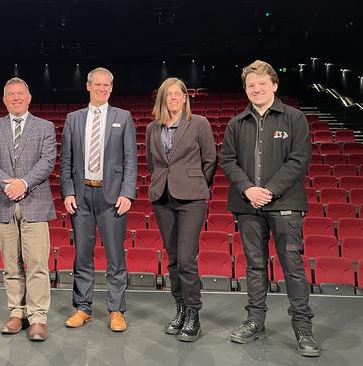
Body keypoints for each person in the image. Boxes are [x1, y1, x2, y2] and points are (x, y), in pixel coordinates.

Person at [221, 60, 320, 357]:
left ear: (274, 85)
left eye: (262, 83)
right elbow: (228, 161)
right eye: (251, 85)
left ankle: (303, 329)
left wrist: (270, 191)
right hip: (248, 205)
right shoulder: (236, 123)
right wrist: (249, 189)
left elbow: (299, 159)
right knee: (254, 266)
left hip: (285, 204)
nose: (256, 89)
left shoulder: (294, 118)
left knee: (292, 267)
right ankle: (255, 321)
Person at [59, 67, 137, 332]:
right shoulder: (73, 118)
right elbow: (66, 160)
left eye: (107, 85)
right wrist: (68, 191)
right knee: (82, 256)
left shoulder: (123, 117)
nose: (102, 89)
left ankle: (116, 309)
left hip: (112, 196)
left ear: (111, 88)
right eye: (98, 85)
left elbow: (131, 159)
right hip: (81, 196)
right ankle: (83, 308)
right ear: (88, 86)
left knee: (116, 257)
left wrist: (127, 192)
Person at [0, 77, 56, 341]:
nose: (15, 97)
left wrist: (23, 183)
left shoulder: (45, 127)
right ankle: (16, 313)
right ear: (4, 99)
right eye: (10, 94)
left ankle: (37, 318)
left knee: (37, 264)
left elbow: (47, 161)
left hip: (35, 202)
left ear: (29, 97)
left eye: (20, 93)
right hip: (2, 202)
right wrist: (8, 185)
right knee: (11, 264)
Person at [146, 77, 216, 342]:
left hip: (191, 199)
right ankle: (180, 310)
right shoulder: (153, 128)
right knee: (173, 258)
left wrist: (195, 184)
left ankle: (194, 314)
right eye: (168, 94)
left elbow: (209, 160)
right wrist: (163, 183)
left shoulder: (199, 124)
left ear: (186, 98)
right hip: (162, 197)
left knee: (187, 258)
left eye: (178, 94)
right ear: (162, 99)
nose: (173, 98)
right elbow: (154, 163)